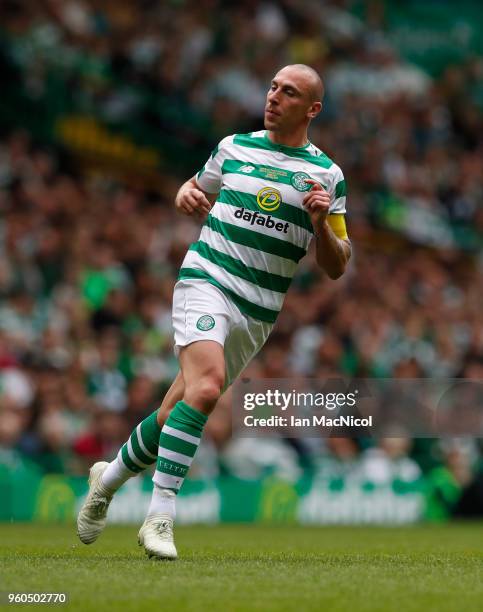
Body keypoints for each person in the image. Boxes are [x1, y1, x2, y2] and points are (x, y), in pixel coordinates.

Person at [77, 64, 352, 559]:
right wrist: (185, 192)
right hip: (207, 280)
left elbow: (337, 265)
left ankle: (108, 480)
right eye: (271, 87)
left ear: (312, 109)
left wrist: (320, 224)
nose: (273, 97)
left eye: (288, 93)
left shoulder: (327, 176)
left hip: (259, 309)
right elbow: (196, 187)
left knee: (172, 413)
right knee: (206, 389)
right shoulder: (234, 147)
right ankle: (159, 518)